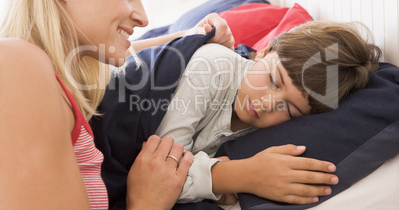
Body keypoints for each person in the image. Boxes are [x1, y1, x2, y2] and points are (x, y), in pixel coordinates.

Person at [0, 0, 338, 209]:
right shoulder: (19, 64)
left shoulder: (52, 75)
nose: (144, 16)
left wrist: (188, 38)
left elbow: (110, 57)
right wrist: (147, 202)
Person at [155, 21, 382, 204]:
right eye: (274, 80)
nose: (267, 104)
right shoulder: (213, 67)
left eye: (290, 110)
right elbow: (160, 173)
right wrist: (232, 178)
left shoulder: (261, 133)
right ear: (264, 52)